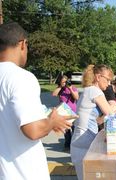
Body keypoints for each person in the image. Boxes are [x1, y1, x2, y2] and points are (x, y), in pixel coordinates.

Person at [0, 22, 75, 179]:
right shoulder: (21, 77)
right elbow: (33, 130)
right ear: (22, 44)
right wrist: (52, 122)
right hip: (23, 173)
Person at [70, 64, 115, 180]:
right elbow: (111, 114)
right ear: (98, 77)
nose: (109, 84)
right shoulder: (95, 91)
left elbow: (98, 119)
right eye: (108, 80)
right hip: (84, 143)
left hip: (80, 141)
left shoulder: (88, 90)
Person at [52, 75, 79, 150]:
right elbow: (54, 94)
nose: (64, 83)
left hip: (72, 111)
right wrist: (61, 86)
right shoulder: (60, 89)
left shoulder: (73, 88)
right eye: (63, 81)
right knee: (66, 129)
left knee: (74, 128)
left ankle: (74, 144)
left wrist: (70, 89)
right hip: (64, 112)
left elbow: (76, 98)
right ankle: (67, 144)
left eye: (65, 81)